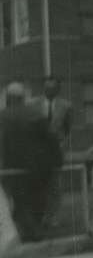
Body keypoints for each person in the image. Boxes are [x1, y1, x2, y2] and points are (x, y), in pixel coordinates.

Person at [0, 82, 62, 241]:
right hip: (38, 168)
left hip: (12, 168)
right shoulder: (35, 114)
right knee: (37, 199)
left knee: (19, 201)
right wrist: (57, 161)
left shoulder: (3, 116)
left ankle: (28, 233)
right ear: (22, 98)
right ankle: (33, 231)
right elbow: (51, 139)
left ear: (9, 98)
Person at [30, 75, 72, 226]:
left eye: (53, 88)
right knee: (39, 185)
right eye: (47, 88)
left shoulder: (66, 106)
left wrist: (62, 146)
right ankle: (41, 216)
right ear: (43, 88)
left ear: (58, 89)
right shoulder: (33, 104)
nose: (49, 90)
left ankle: (53, 217)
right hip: (38, 152)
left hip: (56, 151)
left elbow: (67, 130)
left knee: (55, 185)